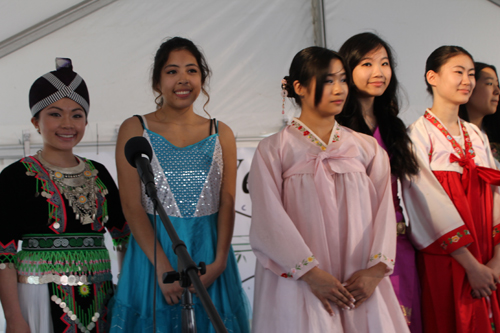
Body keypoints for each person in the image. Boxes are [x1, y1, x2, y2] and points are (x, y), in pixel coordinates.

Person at [249, 46, 409, 332]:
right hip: (301, 282)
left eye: (343, 79)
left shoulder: (367, 147)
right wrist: (310, 273)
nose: (339, 89)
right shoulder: (274, 150)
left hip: (360, 281)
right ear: (299, 87)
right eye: (328, 80)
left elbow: (385, 212)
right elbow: (268, 221)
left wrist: (374, 272)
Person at [108, 37, 250, 332]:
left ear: (203, 78)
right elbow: (132, 206)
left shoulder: (221, 132)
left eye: (192, 71)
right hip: (153, 254)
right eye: (172, 71)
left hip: (208, 252)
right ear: (157, 82)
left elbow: (226, 200)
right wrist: (162, 267)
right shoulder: (135, 128)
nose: (183, 79)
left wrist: (221, 261)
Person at [0, 58, 130, 333]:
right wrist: (13, 318)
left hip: (102, 295)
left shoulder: (100, 173)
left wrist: (128, 296)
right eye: (55, 114)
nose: (67, 124)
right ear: (36, 121)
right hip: (37, 297)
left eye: (77, 114)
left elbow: (124, 237)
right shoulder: (15, 177)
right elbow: (3, 254)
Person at [402, 46, 500, 333]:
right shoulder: (417, 135)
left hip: (487, 259)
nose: (467, 81)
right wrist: (470, 265)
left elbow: (496, 195)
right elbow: (425, 203)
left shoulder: (475, 135)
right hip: (448, 259)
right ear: (432, 77)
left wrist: (496, 260)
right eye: (458, 72)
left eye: (471, 74)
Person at [337, 32, 422, 331]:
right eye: (367, 64)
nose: (378, 72)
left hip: (399, 245)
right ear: (346, 70)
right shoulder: (336, 130)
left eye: (385, 64)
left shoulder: (394, 127)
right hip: (355, 246)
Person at [458, 62, 500, 168]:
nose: (497, 91)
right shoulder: (452, 138)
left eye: (497, 85)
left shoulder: (494, 141)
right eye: (489, 84)